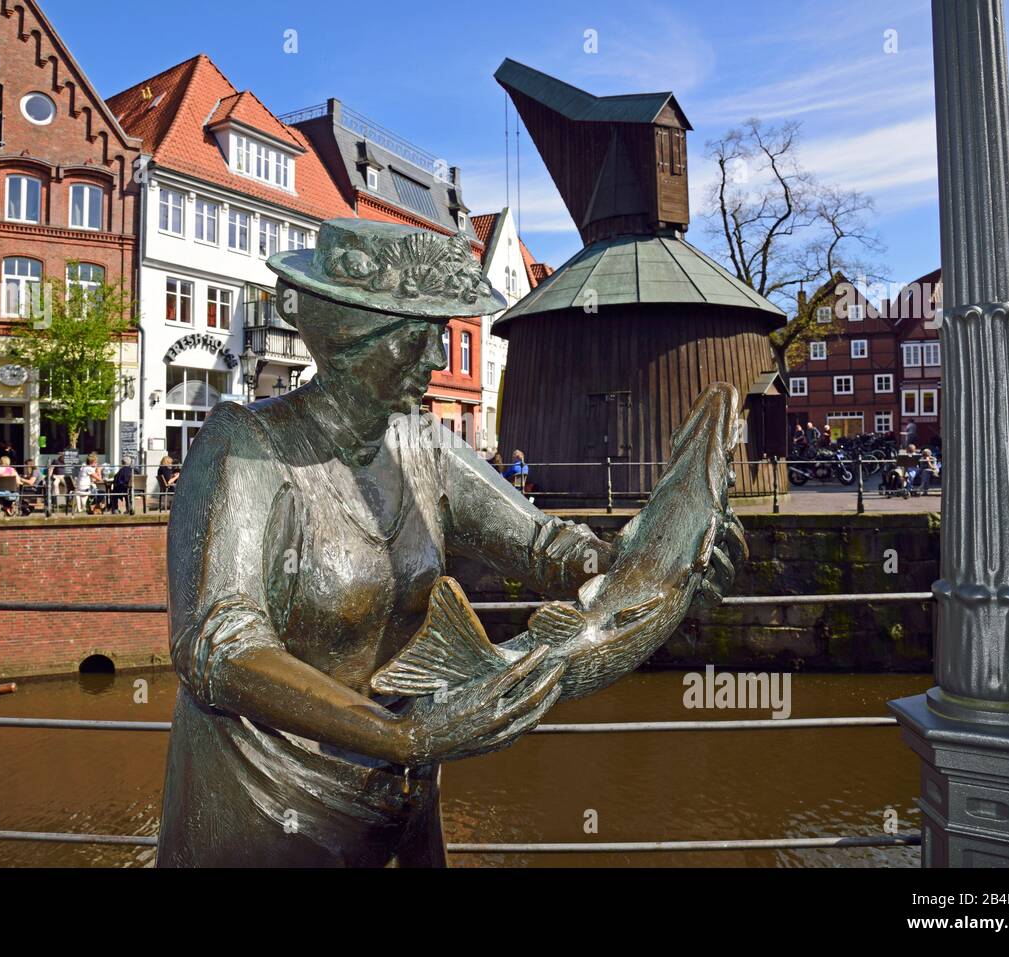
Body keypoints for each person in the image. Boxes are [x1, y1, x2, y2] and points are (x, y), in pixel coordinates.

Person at [156, 219, 742, 866]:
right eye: (419, 335)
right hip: (265, 814)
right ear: (353, 337)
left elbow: (543, 544)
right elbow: (219, 646)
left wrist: (646, 567)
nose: (438, 356)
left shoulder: (424, 445)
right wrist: (397, 732)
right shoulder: (246, 447)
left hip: (402, 797)